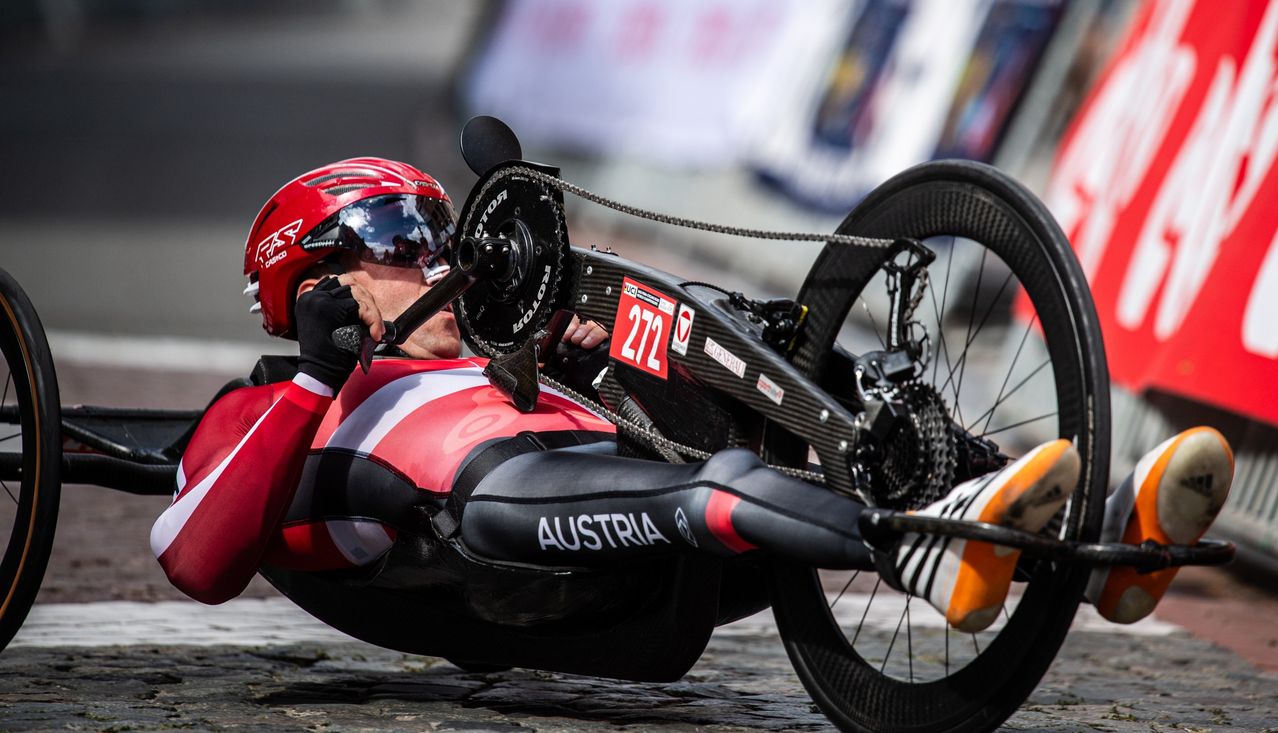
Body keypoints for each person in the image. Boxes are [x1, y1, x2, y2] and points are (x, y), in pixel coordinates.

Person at [150, 157, 1234, 634]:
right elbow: (195, 556)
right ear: (315, 282)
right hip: (494, 525)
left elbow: (625, 412)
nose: (438, 256)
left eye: (439, 230)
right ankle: (920, 544)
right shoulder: (269, 408)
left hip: (635, 540)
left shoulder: (484, 350)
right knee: (718, 487)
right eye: (398, 239)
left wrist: (593, 359)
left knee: (784, 373)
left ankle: (1100, 526)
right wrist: (313, 372)